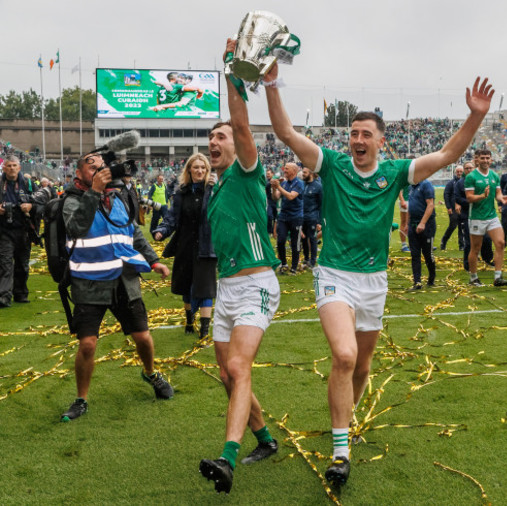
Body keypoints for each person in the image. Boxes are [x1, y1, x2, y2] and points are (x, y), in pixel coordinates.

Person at [265, 62, 495, 485]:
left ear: (380, 141)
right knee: (345, 355)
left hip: (374, 280)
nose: (356, 140)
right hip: (334, 272)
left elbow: (446, 155)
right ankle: (339, 451)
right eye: (353, 133)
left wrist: (476, 115)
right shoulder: (332, 164)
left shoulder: (393, 173)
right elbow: (286, 134)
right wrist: (272, 85)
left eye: (365, 134)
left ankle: (343, 427)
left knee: (363, 367)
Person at [199, 39, 282, 495]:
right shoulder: (215, 185)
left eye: (221, 136)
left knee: (239, 364)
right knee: (227, 374)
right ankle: (265, 439)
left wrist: (232, 71)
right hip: (226, 290)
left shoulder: (248, 171)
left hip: (257, 285)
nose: (214, 142)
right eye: (210, 137)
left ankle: (227, 458)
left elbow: (243, 123)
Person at [60, 153, 173, 422]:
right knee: (87, 345)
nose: (99, 167)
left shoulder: (118, 197)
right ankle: (81, 398)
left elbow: (133, 233)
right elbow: (76, 228)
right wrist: (95, 192)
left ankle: (150, 373)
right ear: (78, 172)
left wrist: (154, 261)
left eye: (102, 165)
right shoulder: (71, 200)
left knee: (143, 338)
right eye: (91, 164)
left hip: (124, 280)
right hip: (89, 283)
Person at [153, 153, 217, 339]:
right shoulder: (181, 193)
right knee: (186, 285)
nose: (199, 170)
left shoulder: (212, 191)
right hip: (185, 244)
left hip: (206, 245)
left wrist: (214, 189)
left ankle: (204, 331)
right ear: (189, 169)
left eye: (203, 168)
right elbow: (172, 218)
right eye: (196, 167)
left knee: (205, 288)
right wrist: (162, 230)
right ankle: (189, 320)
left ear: (207, 171)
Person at [464, 149, 507, 286]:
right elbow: (469, 198)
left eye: (487, 158)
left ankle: (498, 277)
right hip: (477, 217)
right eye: (483, 158)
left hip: (491, 215)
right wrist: (482, 196)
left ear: (491, 159)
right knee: (475, 248)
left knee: (500, 243)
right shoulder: (471, 177)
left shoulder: (494, 175)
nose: (485, 160)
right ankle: (473, 277)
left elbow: (497, 193)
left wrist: (501, 199)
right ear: (477, 160)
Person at [0, 156, 34, 306]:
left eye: (14, 165)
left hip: (24, 229)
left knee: (22, 265)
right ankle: (4, 296)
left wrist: (31, 206)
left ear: (19, 168)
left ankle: (20, 293)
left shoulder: (28, 184)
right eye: (9, 166)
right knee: (5, 264)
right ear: (4, 168)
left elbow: (41, 202)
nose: (12, 168)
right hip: (4, 230)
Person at [271, 162, 304, 274]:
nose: (284, 171)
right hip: (284, 216)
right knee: (280, 241)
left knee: (295, 243)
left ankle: (294, 267)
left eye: (287, 169)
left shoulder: (299, 183)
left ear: (294, 171)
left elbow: (290, 196)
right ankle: (284, 264)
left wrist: (279, 186)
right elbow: (275, 198)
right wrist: (274, 188)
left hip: (296, 217)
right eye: (284, 169)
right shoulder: (284, 183)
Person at [406, 177, 436, 290]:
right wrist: (407, 223)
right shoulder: (411, 187)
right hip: (413, 224)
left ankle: (431, 278)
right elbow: (411, 205)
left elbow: (430, 205)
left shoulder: (426, 184)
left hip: (426, 224)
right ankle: (417, 282)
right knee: (414, 254)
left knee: (428, 254)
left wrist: (422, 223)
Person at [301, 166, 322, 269]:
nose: (302, 174)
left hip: (312, 217)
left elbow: (321, 205)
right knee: (303, 239)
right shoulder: (302, 185)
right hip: (302, 217)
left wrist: (319, 221)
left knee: (312, 239)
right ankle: (306, 258)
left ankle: (313, 261)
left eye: (304, 172)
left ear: (311, 173)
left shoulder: (318, 187)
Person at [440, 165, 463, 251]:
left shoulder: (465, 182)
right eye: (458, 171)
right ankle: (444, 240)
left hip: (463, 208)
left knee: (462, 226)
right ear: (455, 172)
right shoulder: (451, 183)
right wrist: (449, 207)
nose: (459, 173)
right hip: (453, 208)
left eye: (461, 171)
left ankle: (461, 245)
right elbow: (446, 195)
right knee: (453, 225)